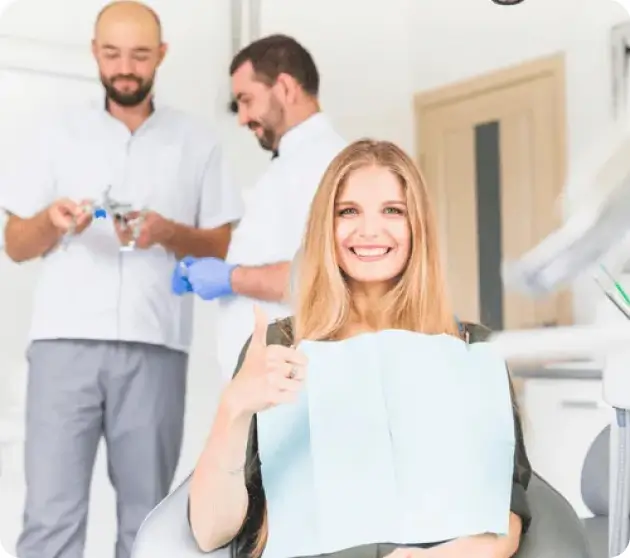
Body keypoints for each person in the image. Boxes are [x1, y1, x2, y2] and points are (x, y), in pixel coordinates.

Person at [186, 140, 532, 558]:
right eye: (348, 211)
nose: (369, 230)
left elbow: (506, 516)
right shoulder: (279, 349)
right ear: (324, 228)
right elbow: (209, 532)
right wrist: (235, 407)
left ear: (416, 226)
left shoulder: (472, 349)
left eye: (393, 210)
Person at [0, 2, 243, 557]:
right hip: (64, 345)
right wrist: (52, 222)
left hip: (155, 346)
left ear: (161, 55)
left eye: (139, 54)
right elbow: (15, 244)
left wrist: (168, 231)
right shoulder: (56, 132)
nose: (125, 67)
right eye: (112, 54)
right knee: (50, 517)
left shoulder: (196, 140)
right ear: (94, 53)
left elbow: (225, 244)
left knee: (149, 520)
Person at [171, 34, 347, 382]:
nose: (242, 118)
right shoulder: (288, 163)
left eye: (246, 100)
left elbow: (319, 275)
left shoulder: (328, 164)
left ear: (284, 87)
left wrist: (230, 278)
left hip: (292, 376)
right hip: (267, 381)